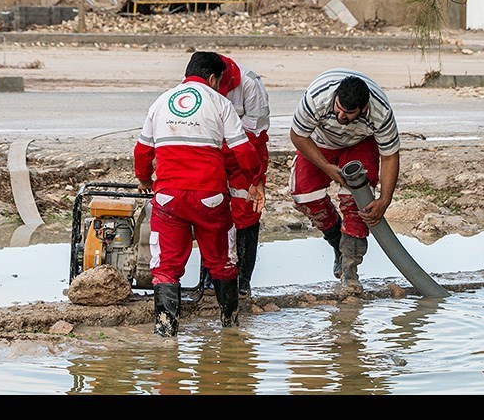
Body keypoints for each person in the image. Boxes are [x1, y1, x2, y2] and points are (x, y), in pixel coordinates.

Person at [134, 51, 264, 337]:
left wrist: (144, 179)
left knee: (166, 266)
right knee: (222, 262)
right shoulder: (220, 103)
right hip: (211, 198)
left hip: (168, 198)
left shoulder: (161, 101)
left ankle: (166, 332)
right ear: (214, 78)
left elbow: (142, 151)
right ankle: (230, 328)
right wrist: (254, 181)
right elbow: (243, 150)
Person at [289, 69, 400, 291]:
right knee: (304, 195)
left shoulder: (381, 112)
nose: (341, 117)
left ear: (364, 109)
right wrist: (328, 168)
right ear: (335, 97)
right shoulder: (316, 98)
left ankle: (350, 273)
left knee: (360, 205)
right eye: (338, 109)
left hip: (360, 143)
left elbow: (390, 156)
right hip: (319, 143)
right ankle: (336, 241)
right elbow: (298, 135)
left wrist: (385, 199)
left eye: (349, 114)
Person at [208, 54, 270, 296]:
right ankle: (211, 276)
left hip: (248, 151)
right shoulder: (198, 81)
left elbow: (254, 130)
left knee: (246, 211)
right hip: (213, 150)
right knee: (211, 206)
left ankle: (242, 280)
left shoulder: (250, 84)